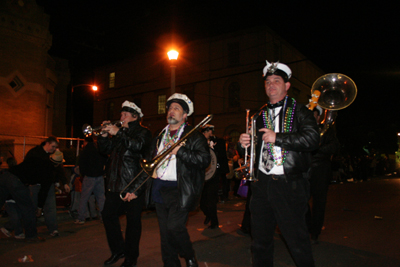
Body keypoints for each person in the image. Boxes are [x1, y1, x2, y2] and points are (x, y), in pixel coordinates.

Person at [238, 61, 320, 267]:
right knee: (260, 242)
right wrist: (243, 145)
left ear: (287, 86)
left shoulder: (301, 112)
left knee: (297, 241)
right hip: (262, 184)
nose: (271, 85)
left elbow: (312, 140)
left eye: (277, 81)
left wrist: (279, 137)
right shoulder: (258, 115)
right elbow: (250, 154)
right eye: (268, 82)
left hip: (289, 184)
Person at [150, 93, 210, 267]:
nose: (171, 111)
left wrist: (180, 152)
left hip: (180, 188)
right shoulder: (160, 135)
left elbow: (204, 160)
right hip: (159, 186)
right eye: (170, 108)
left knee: (174, 227)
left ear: (185, 115)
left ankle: (189, 255)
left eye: (177, 108)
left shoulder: (194, 136)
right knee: (165, 235)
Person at [98, 100, 152, 267]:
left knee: (133, 223)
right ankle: (118, 250)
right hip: (115, 184)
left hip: (133, 184)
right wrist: (104, 135)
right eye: (121, 114)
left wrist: (118, 132)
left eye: (124, 114)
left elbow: (138, 146)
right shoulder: (120, 133)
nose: (121, 117)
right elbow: (105, 150)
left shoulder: (143, 132)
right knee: (107, 215)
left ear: (134, 116)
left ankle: (131, 258)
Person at [306, 105, 340, 244]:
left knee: (319, 202)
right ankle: (309, 226)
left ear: (318, 117)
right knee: (301, 200)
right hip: (306, 170)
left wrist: (317, 149)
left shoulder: (327, 130)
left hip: (321, 169)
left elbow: (335, 147)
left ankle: (315, 232)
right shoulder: (303, 130)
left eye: (313, 116)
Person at [25, 137, 70, 237]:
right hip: (35, 184)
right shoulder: (35, 153)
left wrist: (64, 182)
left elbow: (59, 168)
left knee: (50, 207)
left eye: (55, 147)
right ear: (47, 143)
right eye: (53, 146)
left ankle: (53, 229)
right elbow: (27, 166)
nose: (54, 149)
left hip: (48, 183)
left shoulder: (53, 155)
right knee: (33, 207)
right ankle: (30, 230)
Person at [200, 124, 229, 229]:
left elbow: (221, 156)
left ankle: (214, 222)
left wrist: (213, 148)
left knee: (211, 199)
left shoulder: (219, 142)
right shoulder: (201, 142)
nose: (204, 134)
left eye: (206, 132)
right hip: (203, 175)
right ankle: (208, 214)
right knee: (202, 202)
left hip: (214, 174)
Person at [75, 137, 107, 224]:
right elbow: (105, 160)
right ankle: (104, 217)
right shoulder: (98, 149)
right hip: (99, 176)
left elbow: (81, 164)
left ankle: (81, 217)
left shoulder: (85, 151)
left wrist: (83, 174)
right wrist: (102, 171)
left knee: (84, 197)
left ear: (85, 142)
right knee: (101, 197)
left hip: (89, 176)